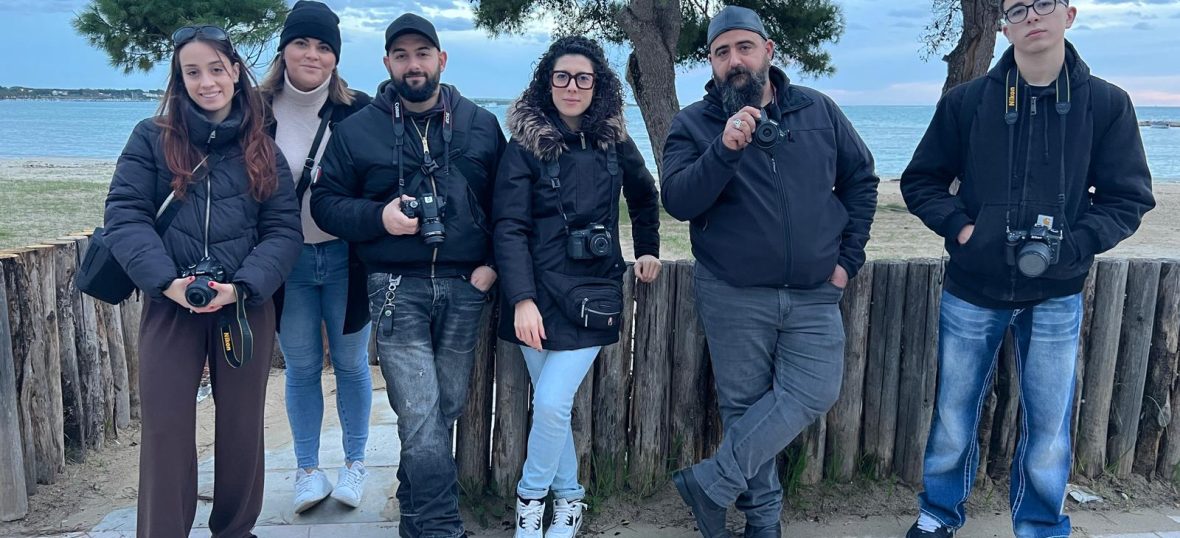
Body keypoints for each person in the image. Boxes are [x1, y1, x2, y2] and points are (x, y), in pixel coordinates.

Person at [900, 0, 1155, 536]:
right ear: (1004, 25)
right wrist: (964, 230)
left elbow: (1128, 198)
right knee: (953, 414)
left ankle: (1040, 526)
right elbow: (921, 180)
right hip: (972, 287)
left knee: (1050, 424)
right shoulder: (967, 103)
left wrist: (1074, 244)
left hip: (1058, 291)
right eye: (1017, 8)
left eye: (1043, 4)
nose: (1032, 17)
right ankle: (938, 514)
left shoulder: (1106, 104)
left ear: (1069, 14)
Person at [660, 6, 879, 537]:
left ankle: (711, 484)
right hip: (733, 291)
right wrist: (725, 148)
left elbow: (862, 181)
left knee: (815, 390)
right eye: (721, 52)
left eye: (744, 47)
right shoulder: (693, 123)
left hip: (814, 291)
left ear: (768, 52)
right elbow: (679, 199)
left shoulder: (818, 110)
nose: (734, 60)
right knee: (744, 408)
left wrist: (847, 262)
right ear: (710, 63)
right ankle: (763, 524)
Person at [310, 13, 506, 538]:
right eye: (401, 55)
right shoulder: (356, 131)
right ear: (387, 64)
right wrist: (379, 218)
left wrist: (492, 267)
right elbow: (326, 205)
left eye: (423, 54)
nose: (412, 64)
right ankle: (441, 526)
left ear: (442, 60)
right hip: (394, 288)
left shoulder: (482, 125)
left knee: (444, 407)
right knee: (419, 410)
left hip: (468, 286)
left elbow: (508, 205)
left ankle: (414, 509)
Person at [102, 24, 302, 537]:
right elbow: (125, 217)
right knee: (166, 427)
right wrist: (168, 282)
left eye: (216, 69)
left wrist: (243, 287)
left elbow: (282, 230)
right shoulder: (151, 138)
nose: (206, 81)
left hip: (242, 304)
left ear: (236, 72)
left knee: (241, 426)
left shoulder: (264, 149)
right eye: (193, 72)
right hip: (171, 303)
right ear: (179, 78)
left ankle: (236, 529)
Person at [493, 36, 662, 538]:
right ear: (548, 82)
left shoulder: (614, 141)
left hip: (594, 294)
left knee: (548, 403)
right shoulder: (523, 146)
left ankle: (529, 503)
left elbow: (645, 195)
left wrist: (648, 248)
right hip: (536, 299)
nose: (572, 86)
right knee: (553, 406)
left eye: (583, 78)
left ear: (598, 85)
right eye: (562, 77)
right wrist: (521, 299)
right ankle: (569, 500)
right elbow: (508, 226)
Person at [258, 0, 375, 514]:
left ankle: (354, 463)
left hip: (348, 258)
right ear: (284, 50)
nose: (312, 54)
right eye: (302, 43)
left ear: (336, 57)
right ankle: (307, 469)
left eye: (324, 46)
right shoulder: (254, 111)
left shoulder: (360, 110)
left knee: (351, 365)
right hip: (288, 262)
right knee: (301, 367)